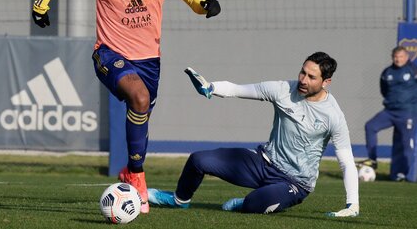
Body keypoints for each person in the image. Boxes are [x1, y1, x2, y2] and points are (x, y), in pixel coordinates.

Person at [31, 0, 221, 214]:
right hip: (108, 54)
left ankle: (130, 172)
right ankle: (137, 176)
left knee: (142, 118)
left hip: (149, 62)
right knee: (140, 98)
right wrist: (41, 5)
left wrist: (205, 4)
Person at [148, 52, 359, 217]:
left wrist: (352, 204)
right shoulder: (283, 89)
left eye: (311, 77)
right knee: (198, 160)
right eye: (302, 72)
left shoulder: (334, 116)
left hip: (295, 183)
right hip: (263, 163)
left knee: (253, 204)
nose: (303, 79)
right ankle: (179, 200)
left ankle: (250, 202)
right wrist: (210, 87)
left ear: (326, 82)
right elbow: (238, 89)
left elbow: (347, 162)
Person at [357, 46, 417, 181]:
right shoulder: (387, 72)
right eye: (396, 57)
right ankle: (372, 160)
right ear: (392, 57)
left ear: (407, 57)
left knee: (407, 145)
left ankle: (410, 177)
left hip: (407, 113)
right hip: (389, 112)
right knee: (370, 126)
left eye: (401, 56)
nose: (398, 59)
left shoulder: (413, 70)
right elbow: (384, 90)